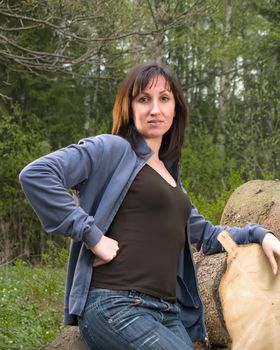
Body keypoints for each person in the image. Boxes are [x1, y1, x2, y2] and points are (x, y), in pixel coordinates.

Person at [19, 62, 280, 350]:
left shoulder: (171, 179)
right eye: (144, 99)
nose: (155, 109)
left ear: (175, 109)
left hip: (168, 314)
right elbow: (37, 175)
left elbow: (206, 234)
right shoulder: (113, 149)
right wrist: (92, 235)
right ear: (129, 107)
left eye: (164, 99)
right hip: (116, 305)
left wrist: (260, 234)